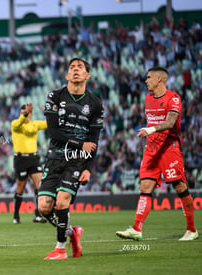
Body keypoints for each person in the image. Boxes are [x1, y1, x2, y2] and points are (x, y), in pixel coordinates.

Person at [116, 67, 198, 241]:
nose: (146, 81)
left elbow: (170, 123)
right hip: (151, 149)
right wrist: (150, 134)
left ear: (159, 79)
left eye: (148, 77)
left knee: (180, 187)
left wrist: (150, 129)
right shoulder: (147, 99)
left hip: (169, 149)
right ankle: (137, 229)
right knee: (145, 187)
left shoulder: (173, 98)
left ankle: (191, 229)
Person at [38, 58, 104, 260]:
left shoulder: (95, 103)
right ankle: (72, 232)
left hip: (77, 161)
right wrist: (79, 144)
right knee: (43, 207)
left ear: (87, 75)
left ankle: (60, 249)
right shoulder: (55, 96)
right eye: (72, 68)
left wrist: (88, 168)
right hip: (54, 157)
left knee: (62, 201)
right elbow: (53, 132)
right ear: (67, 75)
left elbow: (93, 140)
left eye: (80, 68)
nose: (75, 70)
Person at [11, 102, 47, 224]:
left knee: (39, 185)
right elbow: (19, 122)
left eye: (27, 113)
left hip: (33, 158)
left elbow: (50, 124)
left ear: (31, 114)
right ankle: (16, 216)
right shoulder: (16, 124)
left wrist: (55, 112)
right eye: (22, 113)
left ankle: (37, 215)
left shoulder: (35, 124)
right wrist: (24, 114)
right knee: (20, 188)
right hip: (20, 159)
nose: (25, 115)